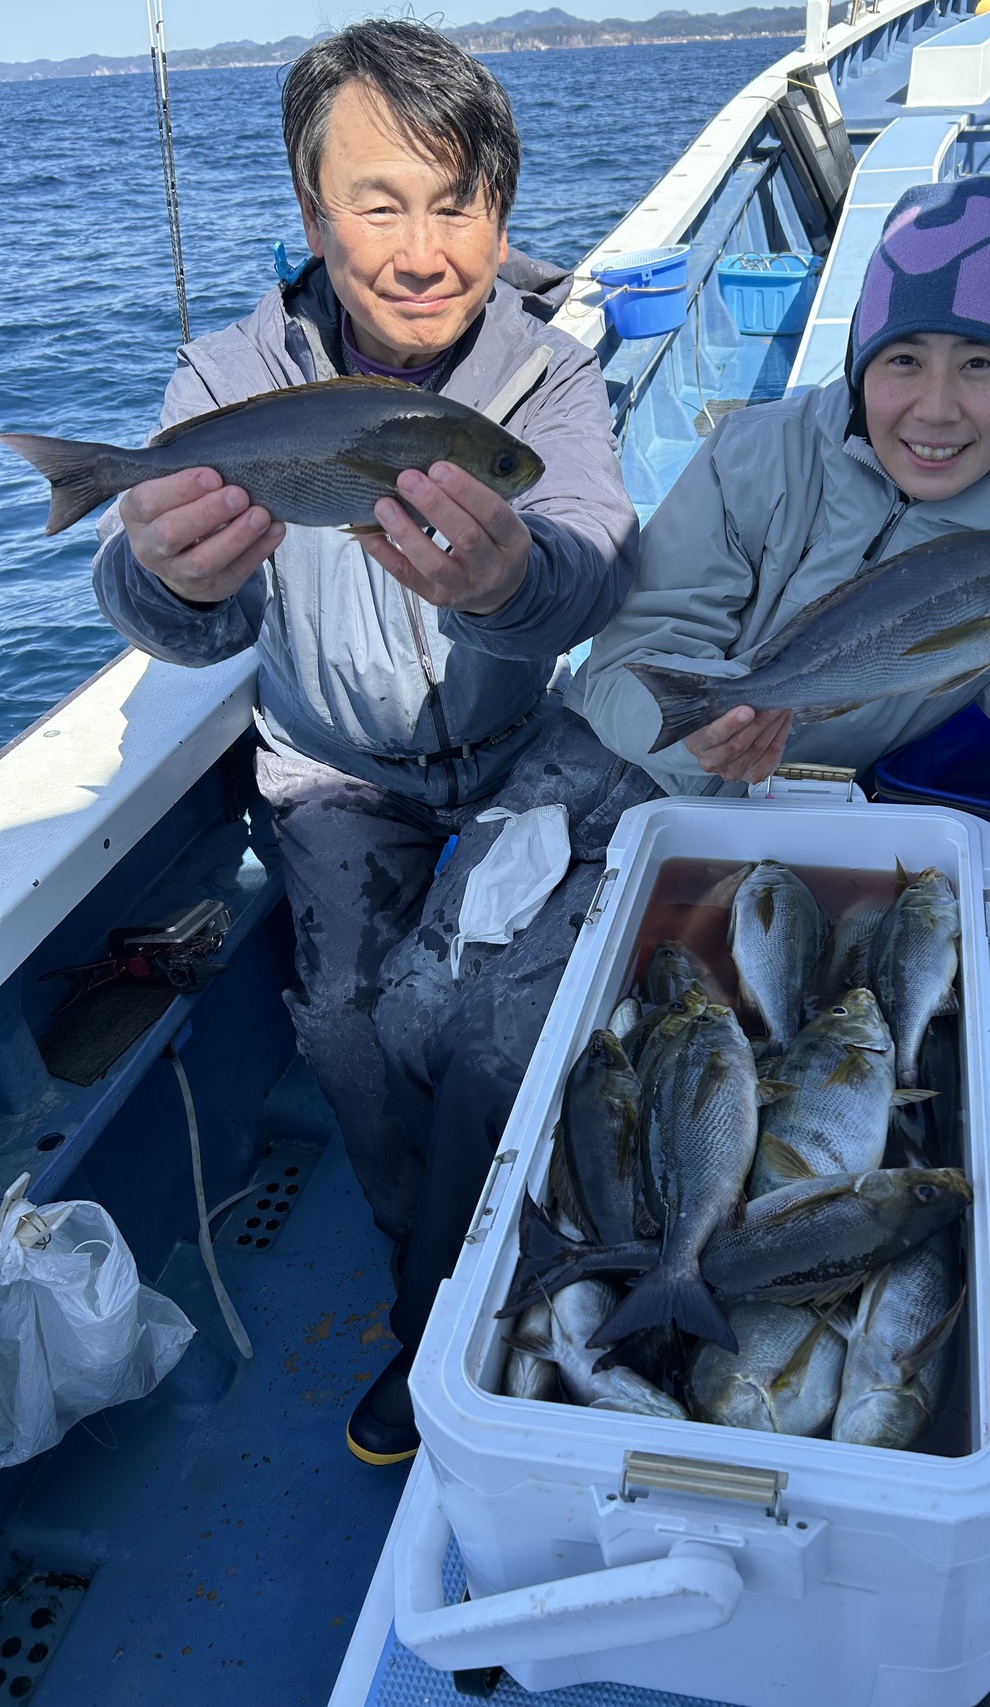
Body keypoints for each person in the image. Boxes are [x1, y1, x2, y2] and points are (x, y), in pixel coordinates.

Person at [93, 19, 654, 1464]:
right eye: (375, 204)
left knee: (494, 1027)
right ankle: (437, 1262)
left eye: (455, 204)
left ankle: (501, 1263)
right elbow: (177, 621)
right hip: (337, 767)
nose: (420, 249)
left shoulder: (547, 375)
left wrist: (515, 583)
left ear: (501, 214)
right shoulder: (225, 379)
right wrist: (172, 578)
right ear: (311, 213)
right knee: (346, 1026)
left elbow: (591, 555)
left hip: (520, 744)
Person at [581, 176, 990, 837]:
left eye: (980, 364)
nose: (936, 409)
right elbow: (623, 668)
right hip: (628, 778)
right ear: (861, 365)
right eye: (905, 359)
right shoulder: (752, 455)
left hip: (811, 825)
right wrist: (705, 731)